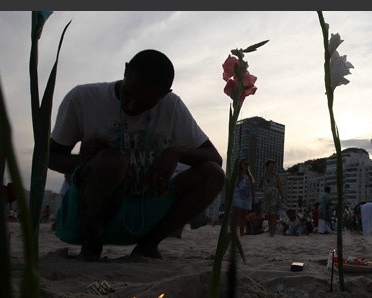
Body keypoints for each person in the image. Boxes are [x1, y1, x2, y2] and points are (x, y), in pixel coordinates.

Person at [49, 49, 224, 261]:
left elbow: (215, 158)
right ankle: (91, 248)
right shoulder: (84, 98)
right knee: (112, 162)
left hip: (147, 208)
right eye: (128, 94)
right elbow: (50, 156)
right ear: (125, 71)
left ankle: (148, 245)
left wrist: (175, 153)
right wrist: (89, 162)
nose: (132, 106)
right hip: (92, 212)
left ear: (164, 94)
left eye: (146, 103)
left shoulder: (172, 106)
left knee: (213, 174)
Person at [259, 159, 285, 237]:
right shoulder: (263, 176)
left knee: (274, 215)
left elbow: (280, 186)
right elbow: (260, 186)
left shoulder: (276, 176)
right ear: (267, 167)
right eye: (271, 166)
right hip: (267, 198)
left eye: (273, 166)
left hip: (274, 197)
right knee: (268, 215)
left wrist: (282, 196)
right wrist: (265, 191)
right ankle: (270, 231)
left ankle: (272, 233)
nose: (272, 167)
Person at [233, 158, 254, 236]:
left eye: (247, 164)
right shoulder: (238, 175)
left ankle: (241, 233)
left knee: (243, 216)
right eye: (244, 164)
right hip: (238, 196)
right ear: (241, 165)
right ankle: (234, 232)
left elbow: (250, 187)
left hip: (247, 197)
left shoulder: (249, 176)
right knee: (237, 215)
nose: (246, 165)